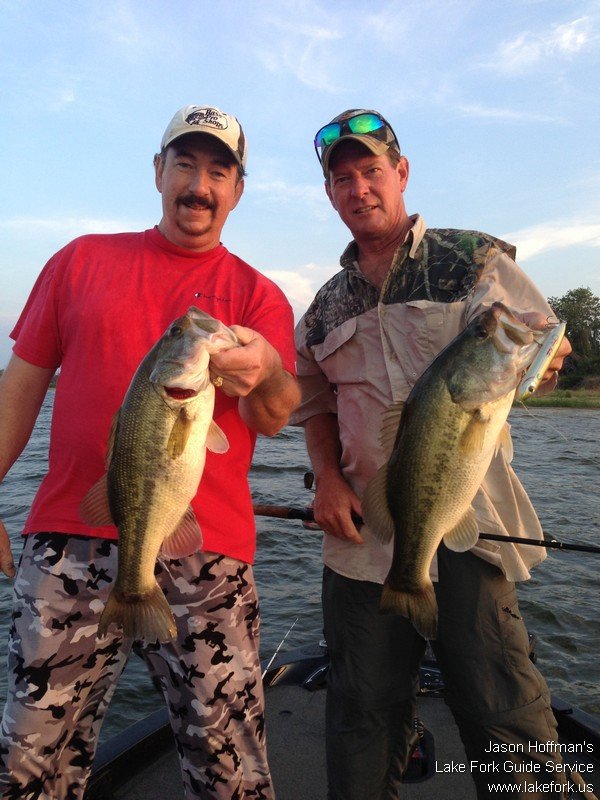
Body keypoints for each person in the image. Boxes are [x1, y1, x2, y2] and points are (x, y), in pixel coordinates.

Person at [0, 104, 300, 800]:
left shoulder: (259, 296)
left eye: (218, 172)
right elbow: (19, 390)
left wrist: (268, 371)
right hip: (69, 539)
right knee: (29, 765)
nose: (199, 185)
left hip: (209, 551)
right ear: (158, 171)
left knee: (230, 772)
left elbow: (276, 414)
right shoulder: (79, 260)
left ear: (238, 190)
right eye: (185, 164)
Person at [291, 109, 574, 800]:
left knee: (504, 710)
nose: (360, 188)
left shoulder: (472, 259)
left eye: (372, 171)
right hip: (363, 535)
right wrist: (326, 477)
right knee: (361, 711)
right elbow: (313, 401)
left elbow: (538, 345)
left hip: (469, 521)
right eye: (343, 179)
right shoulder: (323, 309)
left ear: (402, 173)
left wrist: (548, 358)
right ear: (329, 193)